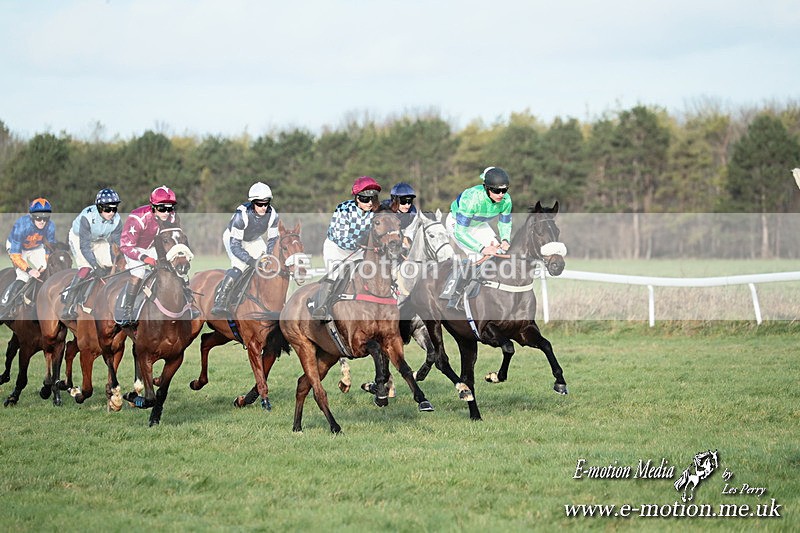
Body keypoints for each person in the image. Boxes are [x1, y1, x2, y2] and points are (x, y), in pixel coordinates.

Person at [311, 176, 381, 320]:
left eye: (372, 199)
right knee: (335, 275)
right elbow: (340, 237)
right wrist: (359, 245)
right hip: (336, 248)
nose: (369, 203)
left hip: (359, 250)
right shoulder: (344, 209)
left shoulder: (375, 213)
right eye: (365, 199)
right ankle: (321, 307)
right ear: (356, 198)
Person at [444, 166, 512, 309]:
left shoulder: (506, 200)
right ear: (486, 188)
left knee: (499, 254)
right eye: (496, 190)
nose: (501, 194)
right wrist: (482, 248)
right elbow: (460, 232)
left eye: (504, 190)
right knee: (477, 257)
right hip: (458, 224)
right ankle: (456, 295)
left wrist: (505, 240)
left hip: (479, 224)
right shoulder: (472, 198)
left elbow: (505, 222)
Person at [211, 182, 280, 316]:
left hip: (254, 239)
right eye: (260, 204)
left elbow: (272, 240)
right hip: (234, 239)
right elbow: (235, 246)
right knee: (239, 267)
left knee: (268, 264)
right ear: (253, 203)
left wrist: (268, 256)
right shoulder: (241, 215)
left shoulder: (273, 215)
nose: (264, 207)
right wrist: (252, 261)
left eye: (266, 203)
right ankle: (221, 299)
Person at [117, 185, 178, 325]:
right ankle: (127, 310)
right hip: (134, 249)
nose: (166, 212)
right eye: (162, 208)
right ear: (153, 206)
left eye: (170, 208)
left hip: (153, 247)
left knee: (174, 267)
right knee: (139, 272)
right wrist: (145, 258)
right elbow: (125, 246)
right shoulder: (138, 218)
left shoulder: (171, 217)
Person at [61, 188, 123, 320]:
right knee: (87, 267)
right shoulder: (87, 217)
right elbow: (84, 247)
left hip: (97, 239)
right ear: (99, 207)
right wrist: (96, 266)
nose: (111, 213)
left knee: (112, 263)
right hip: (79, 238)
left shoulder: (117, 220)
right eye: (107, 209)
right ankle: (68, 304)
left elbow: (118, 246)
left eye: (114, 209)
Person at [0, 198, 58, 318]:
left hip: (35, 247)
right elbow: (15, 256)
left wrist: (45, 263)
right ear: (32, 216)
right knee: (24, 276)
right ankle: (6, 305)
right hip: (17, 249)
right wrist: (29, 270)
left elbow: (49, 250)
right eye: (38, 217)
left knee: (47, 269)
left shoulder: (51, 226)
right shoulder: (21, 225)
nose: (42, 221)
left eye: (45, 217)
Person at [380, 182, 418, 253]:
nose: (407, 205)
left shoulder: (412, 212)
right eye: (403, 202)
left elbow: (409, 236)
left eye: (410, 201)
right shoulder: (383, 210)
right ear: (394, 200)